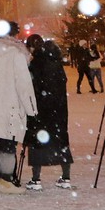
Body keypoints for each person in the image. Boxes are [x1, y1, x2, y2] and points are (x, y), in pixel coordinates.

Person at [0, 21, 36, 194]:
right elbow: (24, 85)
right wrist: (31, 110)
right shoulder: (16, 55)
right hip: (10, 105)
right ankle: (7, 180)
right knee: (9, 145)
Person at [24, 36, 73, 191]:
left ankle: (36, 178)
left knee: (38, 142)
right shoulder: (56, 62)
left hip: (41, 109)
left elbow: (33, 86)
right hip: (58, 108)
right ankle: (66, 177)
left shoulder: (36, 64)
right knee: (61, 141)